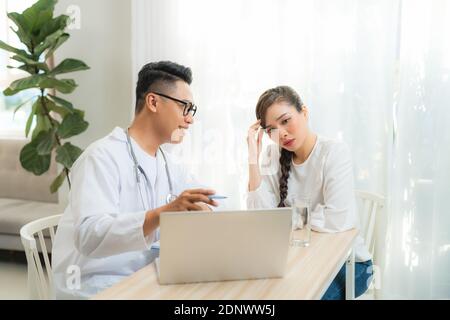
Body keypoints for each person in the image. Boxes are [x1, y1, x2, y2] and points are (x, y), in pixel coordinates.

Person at [52, 61, 219, 299]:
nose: (190, 119)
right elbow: (89, 236)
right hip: (95, 285)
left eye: (192, 110)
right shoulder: (101, 157)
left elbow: (212, 199)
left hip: (144, 278)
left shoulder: (168, 164)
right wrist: (164, 212)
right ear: (153, 102)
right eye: (185, 107)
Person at [246, 85, 373, 300]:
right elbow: (260, 218)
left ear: (304, 112)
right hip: (299, 259)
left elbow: (339, 219)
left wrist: (285, 221)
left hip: (350, 265)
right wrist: (252, 156)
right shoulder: (272, 154)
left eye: (285, 121)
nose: (282, 133)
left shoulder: (334, 152)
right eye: (271, 130)